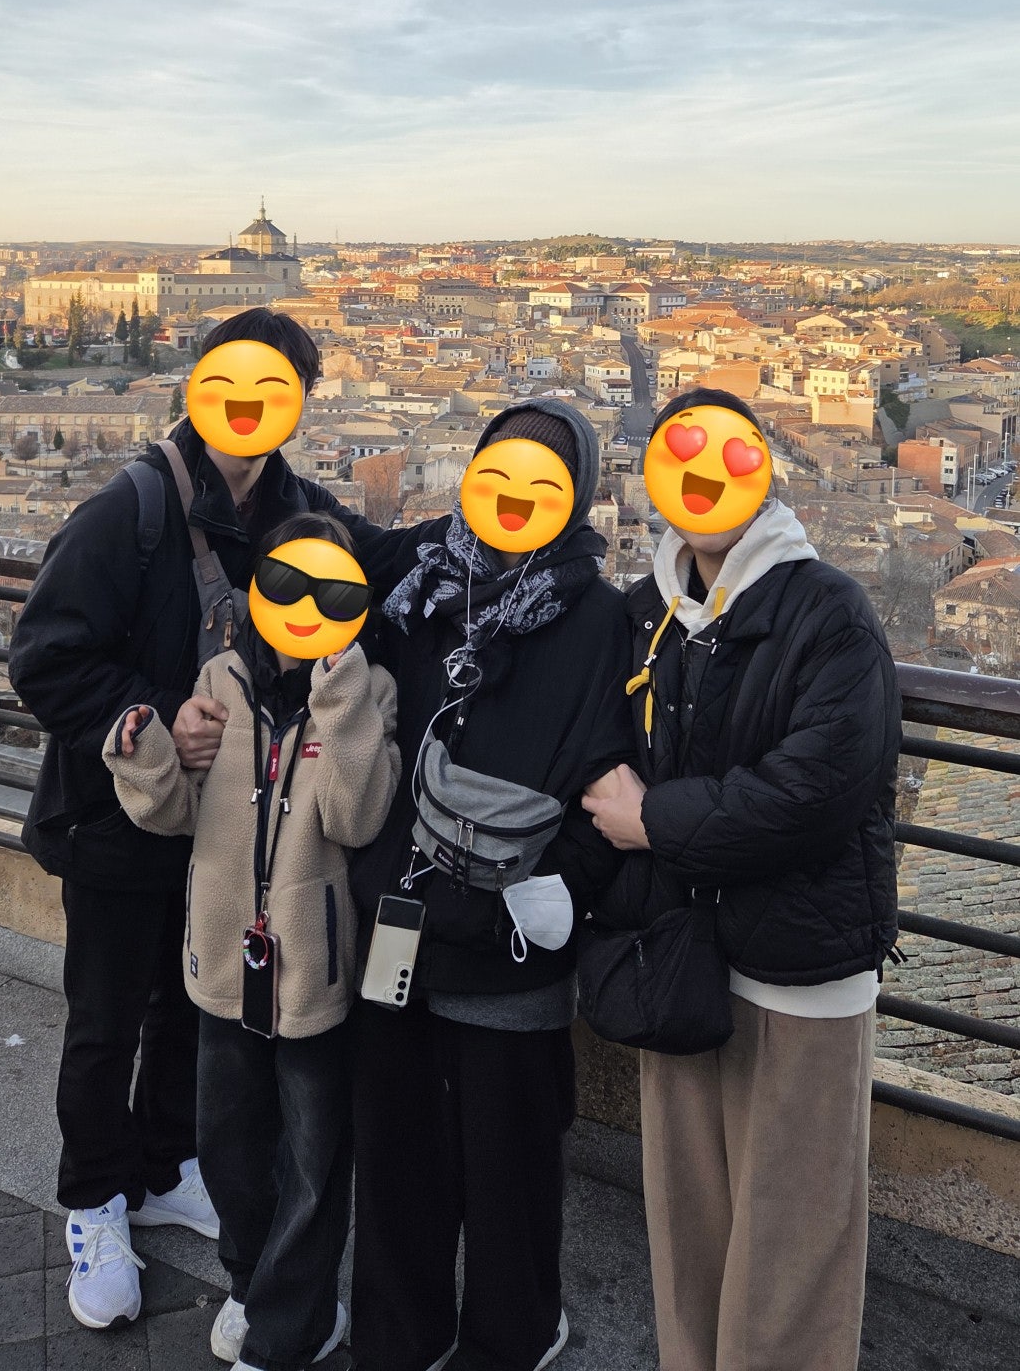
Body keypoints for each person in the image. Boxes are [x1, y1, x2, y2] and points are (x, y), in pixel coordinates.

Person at [8, 306, 403, 1331]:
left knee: (187, 1008)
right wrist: (151, 713)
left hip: (224, 834)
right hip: (115, 815)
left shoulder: (298, 506)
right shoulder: (129, 508)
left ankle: (157, 1165)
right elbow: (44, 656)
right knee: (104, 1019)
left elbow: (377, 569)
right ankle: (94, 1199)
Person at [584, 387, 902, 1371]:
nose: (705, 477)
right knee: (689, 1224)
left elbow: (814, 791)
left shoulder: (829, 611)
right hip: (681, 952)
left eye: (730, 456)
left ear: (761, 474)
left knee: (792, 1239)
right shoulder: (644, 615)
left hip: (799, 965)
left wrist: (652, 820)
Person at [348, 399, 633, 1371]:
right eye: (495, 475)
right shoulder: (419, 588)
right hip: (396, 922)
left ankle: (512, 1337)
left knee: (507, 1159)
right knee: (395, 1151)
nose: (512, 499)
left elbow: (614, 776)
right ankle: (400, 1335)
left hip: (512, 931)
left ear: (575, 496)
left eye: (539, 482)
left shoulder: (601, 620)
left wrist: (555, 891)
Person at [105, 512, 398, 1371]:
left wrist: (337, 691)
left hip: (313, 970)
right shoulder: (221, 682)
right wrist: (146, 756)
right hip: (224, 961)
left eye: (330, 591)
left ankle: (292, 1327)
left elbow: (355, 816)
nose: (307, 607)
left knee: (311, 1161)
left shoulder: (370, 691)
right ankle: (249, 1282)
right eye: (289, 585)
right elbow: (178, 815)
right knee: (229, 1146)